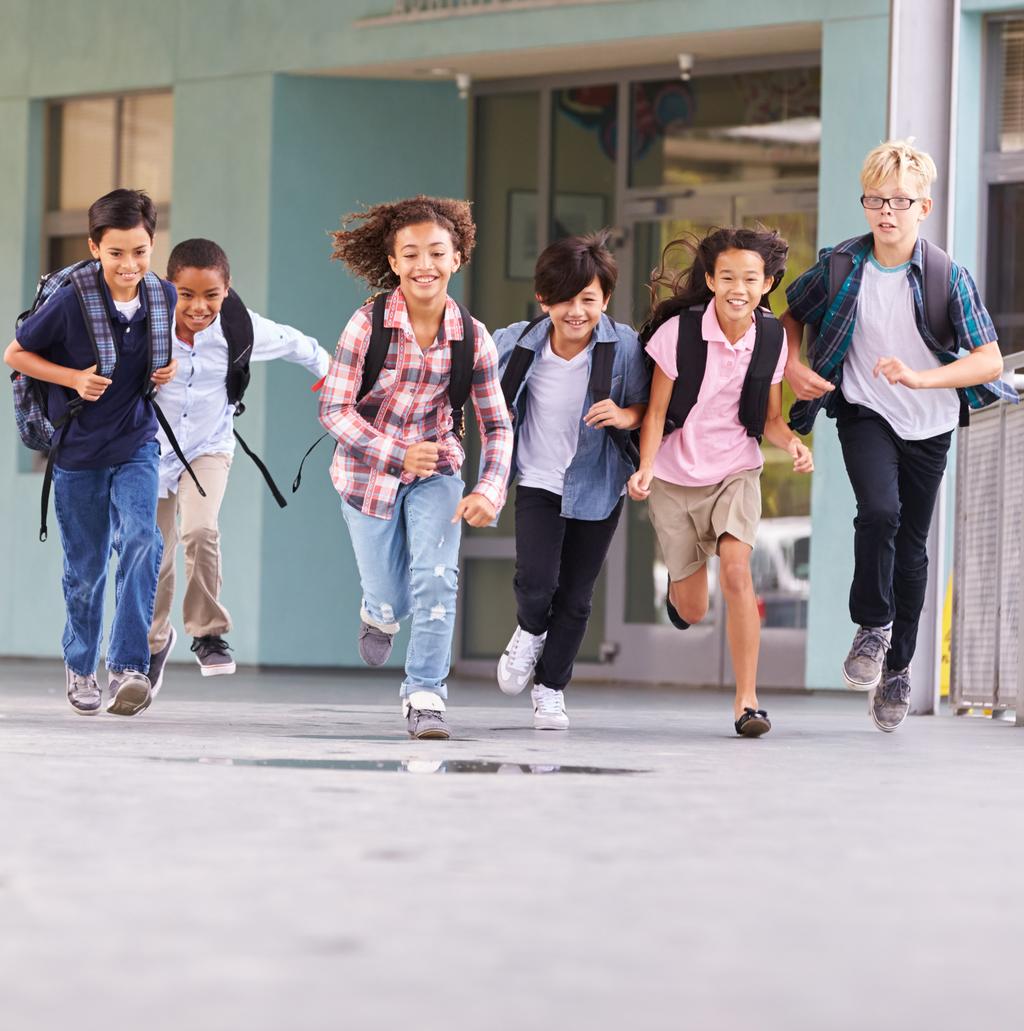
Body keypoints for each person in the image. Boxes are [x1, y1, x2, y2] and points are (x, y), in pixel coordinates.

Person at [782, 139, 1009, 732]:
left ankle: (899, 667)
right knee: (878, 512)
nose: (886, 211)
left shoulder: (945, 276)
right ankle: (871, 627)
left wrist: (923, 378)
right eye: (876, 199)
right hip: (863, 411)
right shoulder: (839, 265)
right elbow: (785, 315)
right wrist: (791, 367)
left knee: (911, 548)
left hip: (929, 421)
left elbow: (988, 359)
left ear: (923, 207)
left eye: (899, 200)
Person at [319, 195, 513, 740]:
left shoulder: (474, 339)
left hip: (438, 472)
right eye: (411, 254)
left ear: (457, 258)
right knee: (392, 594)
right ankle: (378, 610)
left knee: (436, 578)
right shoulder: (367, 325)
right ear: (395, 262)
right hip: (365, 477)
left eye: (436, 252)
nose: (424, 264)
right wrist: (394, 451)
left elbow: (497, 426)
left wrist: (489, 489)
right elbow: (332, 410)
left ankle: (426, 694)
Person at [628, 227, 813, 737]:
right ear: (710, 280)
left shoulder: (772, 339)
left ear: (767, 283)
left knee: (737, 572)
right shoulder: (680, 334)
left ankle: (748, 701)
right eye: (727, 276)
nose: (738, 287)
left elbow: (771, 418)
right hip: (673, 476)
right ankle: (678, 590)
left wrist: (793, 443)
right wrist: (644, 467)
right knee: (693, 607)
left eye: (750, 278)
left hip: (735, 469)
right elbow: (657, 411)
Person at [4, 189, 177, 716]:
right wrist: (73, 378)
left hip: (135, 443)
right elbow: (16, 352)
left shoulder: (162, 296)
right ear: (95, 247)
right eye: (117, 253)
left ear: (152, 246)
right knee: (86, 568)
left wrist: (163, 370)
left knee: (144, 540)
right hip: (77, 450)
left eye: (141, 252)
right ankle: (81, 665)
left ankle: (127, 665)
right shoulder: (71, 298)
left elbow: (154, 358)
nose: (130, 265)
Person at [146, 238, 331, 692]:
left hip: (208, 448)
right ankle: (151, 642)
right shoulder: (148, 326)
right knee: (154, 552)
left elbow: (300, 345)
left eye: (211, 294)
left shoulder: (239, 327)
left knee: (199, 530)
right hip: (148, 451)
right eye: (186, 294)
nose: (198, 306)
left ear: (227, 290)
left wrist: (333, 382)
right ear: (170, 287)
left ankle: (208, 631)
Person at [493, 231, 648, 729]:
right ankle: (529, 631)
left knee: (577, 597)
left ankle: (551, 689)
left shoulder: (623, 345)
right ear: (544, 299)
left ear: (605, 298)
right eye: (564, 299)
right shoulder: (514, 341)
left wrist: (624, 416)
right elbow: (476, 390)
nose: (576, 311)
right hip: (539, 478)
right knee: (536, 583)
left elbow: (650, 406)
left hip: (598, 482)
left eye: (589, 299)